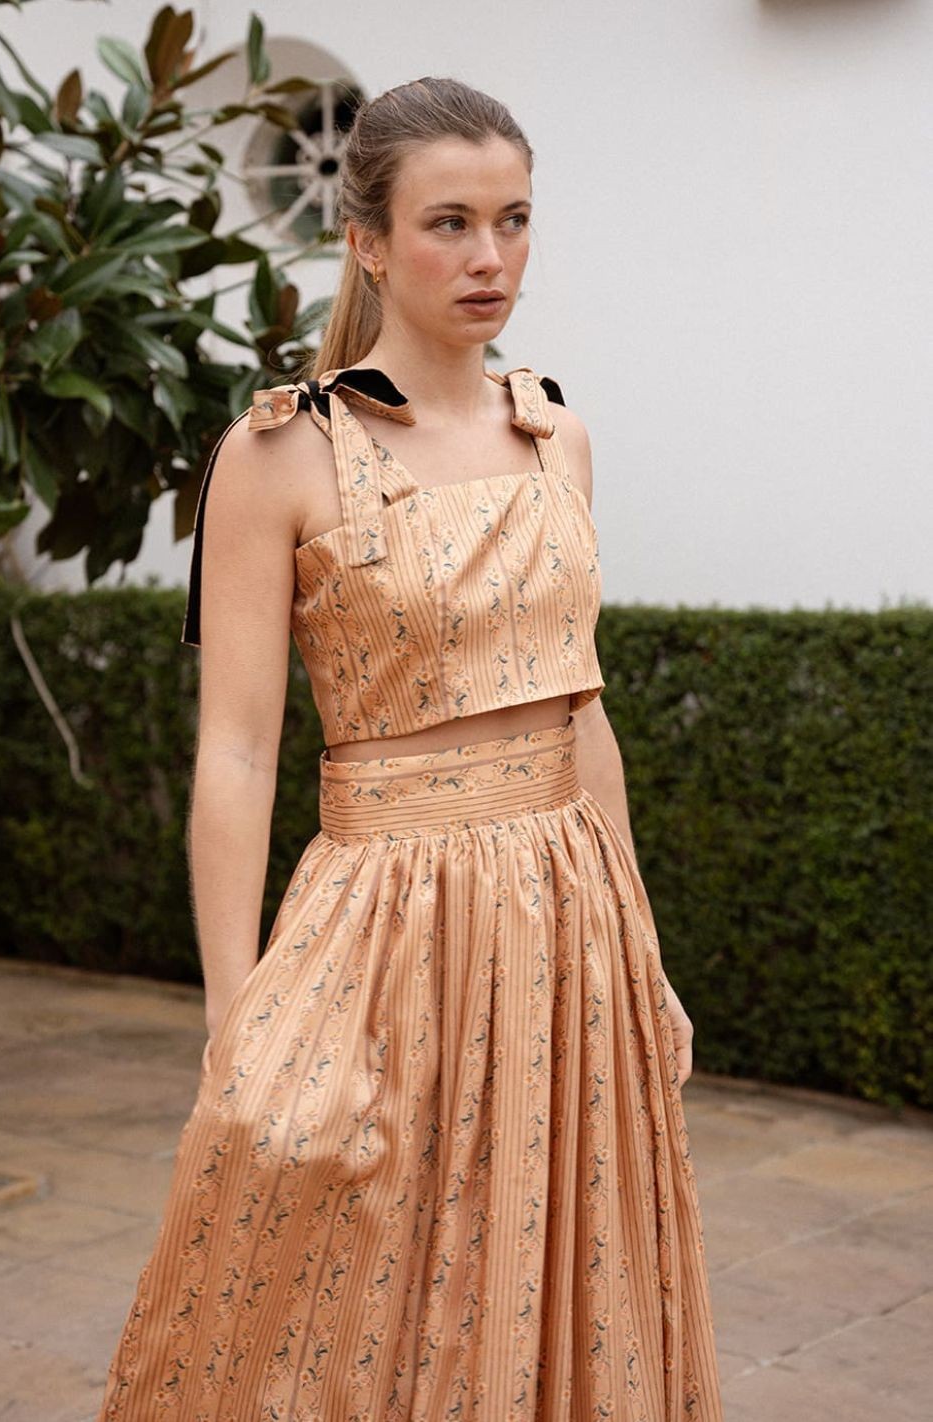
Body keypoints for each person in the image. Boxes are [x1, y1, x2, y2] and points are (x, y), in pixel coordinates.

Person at [96, 75, 725, 1421]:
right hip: (386, 921)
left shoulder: (558, 436)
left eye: (513, 219)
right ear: (368, 242)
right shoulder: (281, 454)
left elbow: (581, 712)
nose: (490, 255)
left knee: (560, 1277)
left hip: (572, 917)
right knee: (347, 1299)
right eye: (450, 222)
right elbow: (237, 754)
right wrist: (234, 1018)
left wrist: (647, 954)